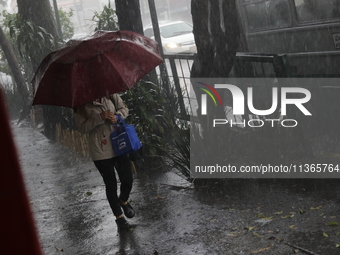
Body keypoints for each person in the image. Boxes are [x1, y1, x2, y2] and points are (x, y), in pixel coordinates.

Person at [74, 94, 135, 231]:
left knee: (128, 179)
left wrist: (117, 116)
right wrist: (100, 117)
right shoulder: (81, 105)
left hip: (119, 144)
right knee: (111, 184)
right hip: (100, 150)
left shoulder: (111, 95)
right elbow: (82, 128)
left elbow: (124, 108)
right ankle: (119, 217)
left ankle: (123, 200)